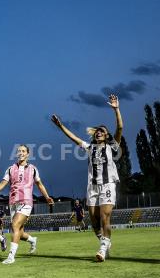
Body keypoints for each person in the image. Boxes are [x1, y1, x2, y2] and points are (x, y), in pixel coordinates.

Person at [51, 94, 123, 262]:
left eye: (102, 132)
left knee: (105, 217)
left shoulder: (112, 147)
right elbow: (73, 138)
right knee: (94, 222)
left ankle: (103, 249)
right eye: (98, 131)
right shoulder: (90, 147)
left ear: (106, 136)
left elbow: (119, 129)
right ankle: (105, 242)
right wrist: (60, 125)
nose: (99, 132)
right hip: (92, 187)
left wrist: (116, 109)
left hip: (107, 185)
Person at [0, 145, 54, 264]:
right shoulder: (10, 169)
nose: (20, 153)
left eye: (23, 151)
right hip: (13, 203)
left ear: (28, 154)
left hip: (26, 201)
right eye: (19, 151)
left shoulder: (33, 169)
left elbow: (39, 184)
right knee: (19, 233)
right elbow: (2, 184)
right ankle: (32, 240)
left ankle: (11, 256)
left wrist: (46, 197)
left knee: (15, 225)